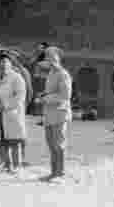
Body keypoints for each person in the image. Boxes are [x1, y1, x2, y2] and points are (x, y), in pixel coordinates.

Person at [0, 51, 27, 173]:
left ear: (10, 63)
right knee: (2, 140)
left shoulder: (17, 77)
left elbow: (20, 97)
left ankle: (17, 165)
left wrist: (5, 106)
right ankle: (6, 164)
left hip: (12, 114)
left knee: (14, 140)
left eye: (5, 61)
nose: (2, 64)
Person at [41, 45, 72, 182]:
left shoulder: (63, 74)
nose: (50, 60)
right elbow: (52, 92)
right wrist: (44, 96)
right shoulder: (51, 73)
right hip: (49, 113)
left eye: (52, 58)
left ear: (58, 59)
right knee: (51, 144)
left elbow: (65, 96)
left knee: (59, 144)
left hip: (60, 113)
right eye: (48, 58)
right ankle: (53, 172)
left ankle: (60, 173)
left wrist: (45, 98)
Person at [31, 42, 51, 120]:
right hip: (37, 78)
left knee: (43, 97)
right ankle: (38, 114)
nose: (39, 49)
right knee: (38, 97)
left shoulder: (49, 57)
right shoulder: (37, 57)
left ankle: (44, 115)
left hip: (45, 79)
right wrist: (36, 56)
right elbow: (31, 63)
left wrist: (39, 64)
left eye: (42, 48)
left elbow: (48, 66)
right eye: (38, 48)